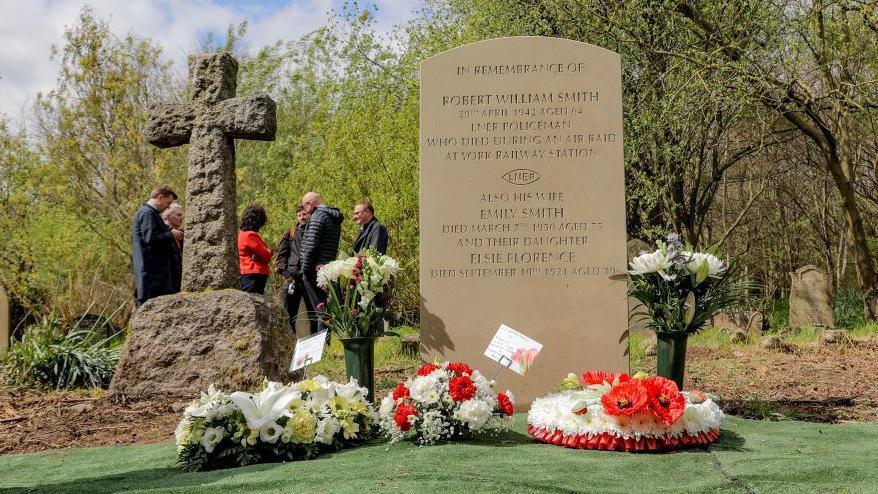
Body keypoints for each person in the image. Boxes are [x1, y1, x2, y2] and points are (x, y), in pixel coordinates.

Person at [132, 185, 183, 307]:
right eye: (168, 203)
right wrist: (171, 235)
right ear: (160, 198)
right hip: (152, 277)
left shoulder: (151, 213)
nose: (168, 207)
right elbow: (151, 239)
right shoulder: (147, 213)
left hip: (157, 277)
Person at [299, 192, 344, 330]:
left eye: (304, 206)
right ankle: (327, 344)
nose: (304, 210)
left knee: (320, 310)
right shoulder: (332, 217)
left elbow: (311, 246)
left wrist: (305, 269)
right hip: (328, 267)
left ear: (309, 203)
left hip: (315, 269)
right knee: (326, 308)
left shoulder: (317, 216)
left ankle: (322, 347)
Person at [276, 205, 318, 335]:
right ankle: (291, 345)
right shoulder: (291, 233)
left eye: (304, 214)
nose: (302, 217)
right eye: (299, 215)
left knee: (314, 314)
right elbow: (281, 257)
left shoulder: (314, 232)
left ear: (310, 215)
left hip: (310, 279)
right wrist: (286, 274)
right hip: (292, 280)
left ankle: (317, 346)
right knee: (289, 315)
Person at [238, 204, 273, 295]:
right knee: (254, 303)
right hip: (254, 273)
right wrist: (268, 251)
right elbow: (266, 256)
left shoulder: (241, 234)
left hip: (246, 273)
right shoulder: (250, 235)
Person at [162, 203, 184, 293]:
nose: (181, 218)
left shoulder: (181, 235)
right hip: (165, 284)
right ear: (168, 216)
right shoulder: (162, 234)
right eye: (178, 215)